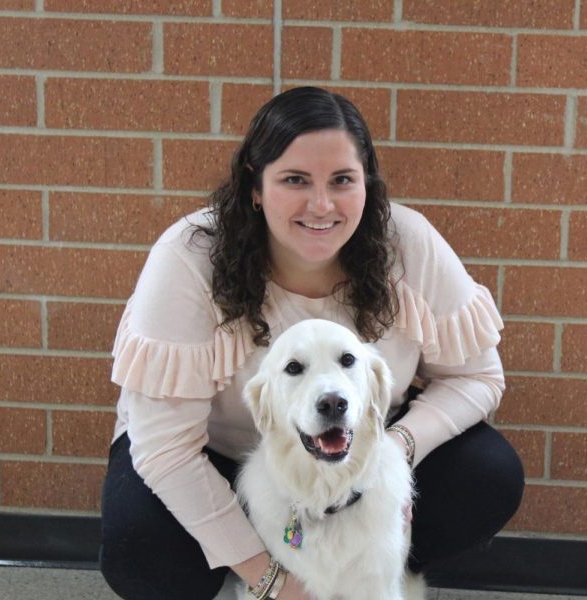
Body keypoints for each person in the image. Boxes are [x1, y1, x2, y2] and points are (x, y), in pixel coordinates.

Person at [99, 86, 524, 600]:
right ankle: (247, 559)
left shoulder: (408, 245)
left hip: (350, 448)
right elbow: (166, 450)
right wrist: (274, 581)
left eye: (342, 180)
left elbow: (478, 377)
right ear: (255, 187)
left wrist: (397, 449)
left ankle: (376, 570)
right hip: (213, 452)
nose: (321, 205)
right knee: (141, 552)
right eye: (295, 180)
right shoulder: (188, 259)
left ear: (366, 184)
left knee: (488, 477)